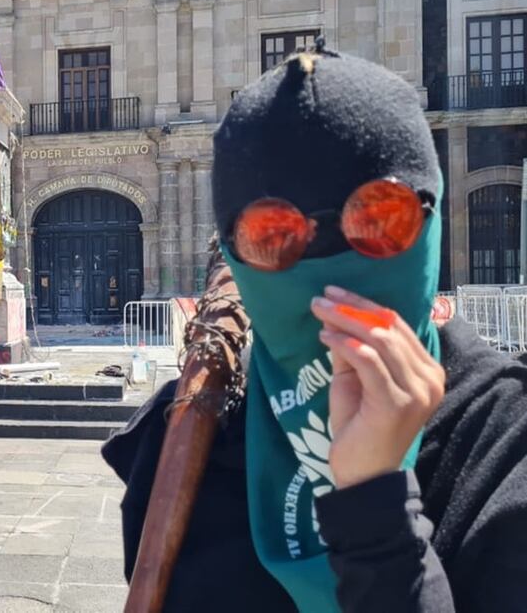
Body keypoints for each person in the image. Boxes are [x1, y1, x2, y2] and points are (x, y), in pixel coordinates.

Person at [102, 46, 527, 612]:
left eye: (380, 219)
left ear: (429, 220)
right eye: (272, 236)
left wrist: (378, 511)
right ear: (234, 248)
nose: (328, 273)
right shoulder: (184, 435)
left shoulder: (506, 444)